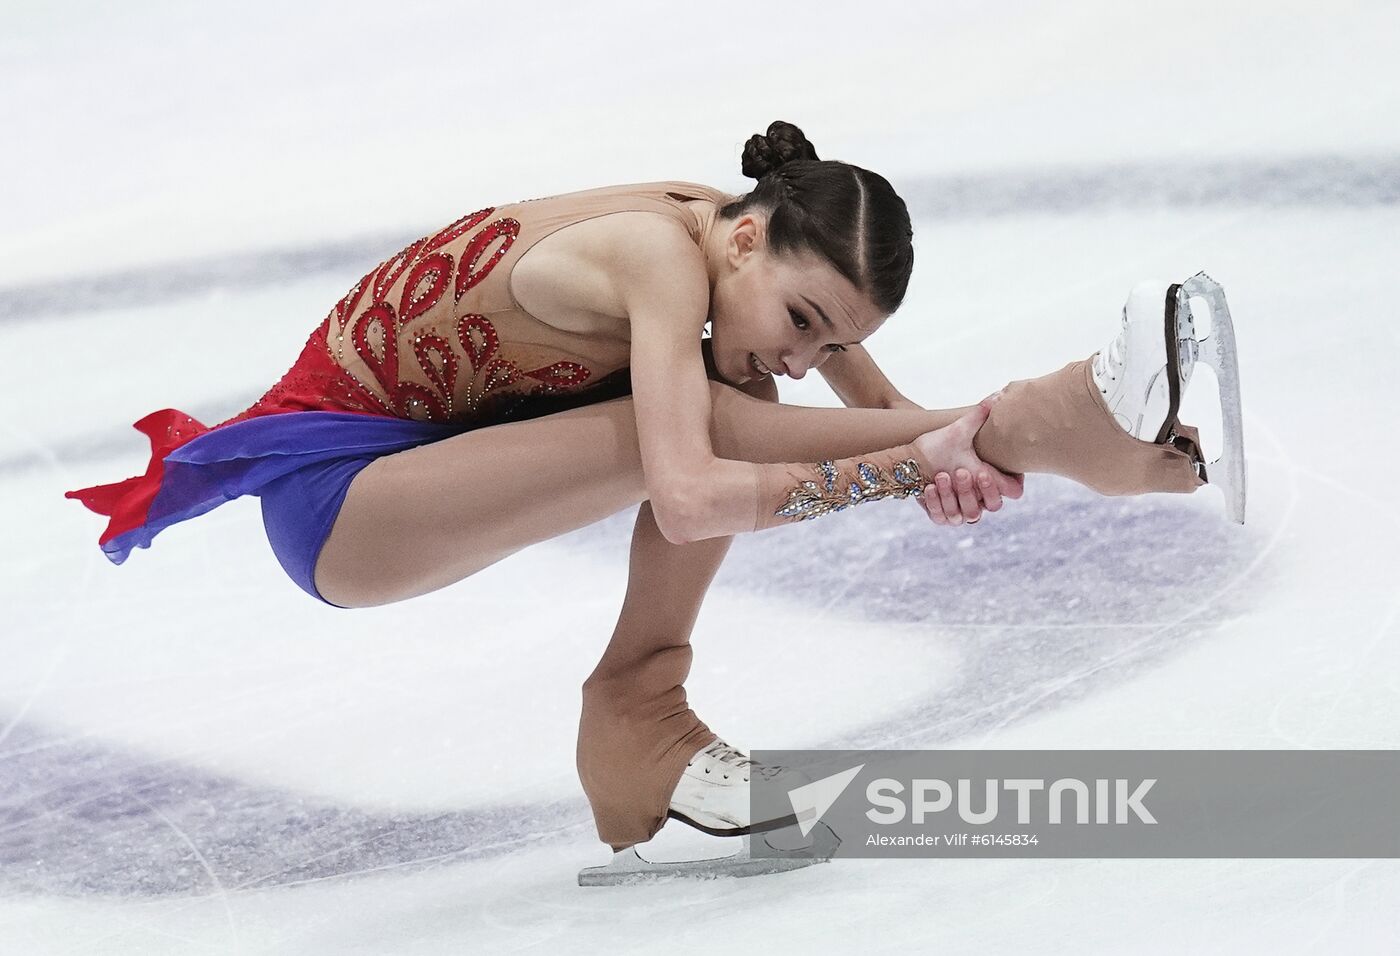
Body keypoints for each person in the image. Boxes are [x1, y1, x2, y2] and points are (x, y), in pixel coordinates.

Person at [64, 120, 1235, 868]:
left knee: (721, 393)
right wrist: (967, 442)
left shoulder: (721, 237)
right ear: (745, 246)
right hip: (341, 507)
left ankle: (638, 727)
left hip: (405, 471)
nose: (804, 353)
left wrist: (956, 452)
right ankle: (1066, 413)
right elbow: (690, 492)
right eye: (806, 324)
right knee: (682, 422)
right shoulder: (655, 259)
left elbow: (870, 412)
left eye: (829, 339)